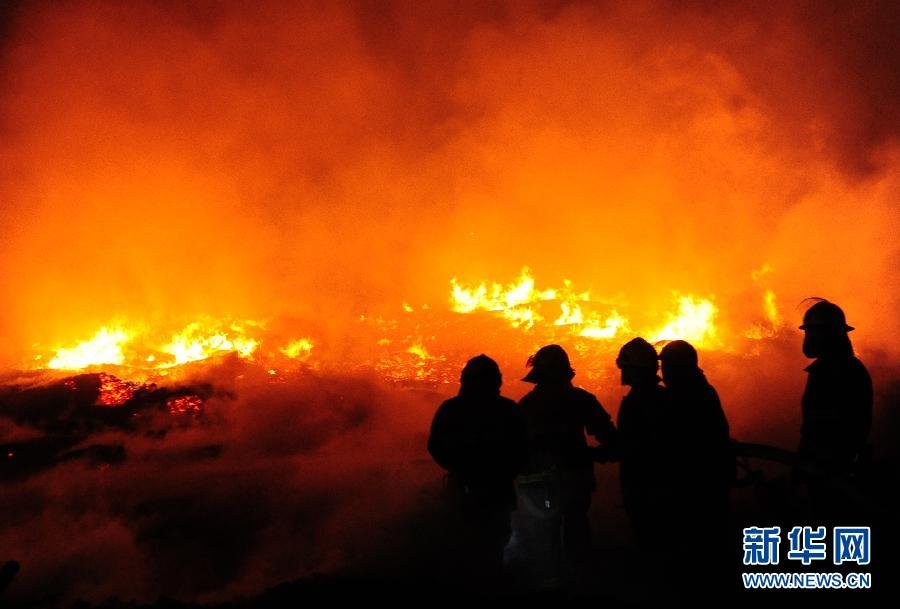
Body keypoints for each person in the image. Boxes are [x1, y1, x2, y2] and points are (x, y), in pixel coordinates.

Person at [516, 344, 617, 572]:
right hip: (573, 481)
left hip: (544, 487)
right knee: (575, 527)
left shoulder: (526, 406)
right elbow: (611, 441)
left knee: (547, 529)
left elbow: (514, 449)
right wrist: (590, 455)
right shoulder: (581, 400)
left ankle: (553, 582)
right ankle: (579, 580)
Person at [428, 354, 526, 585]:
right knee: (492, 545)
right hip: (494, 491)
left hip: (465, 489)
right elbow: (523, 450)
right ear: (498, 381)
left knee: (465, 545)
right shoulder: (508, 410)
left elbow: (436, 446)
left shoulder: (452, 409)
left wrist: (460, 468)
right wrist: (504, 472)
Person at [658, 340, 733, 592]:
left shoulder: (684, 396)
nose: (663, 372)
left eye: (666, 365)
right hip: (709, 480)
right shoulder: (701, 390)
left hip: (695, 484)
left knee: (697, 544)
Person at [797, 299, 872, 518]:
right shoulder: (840, 367)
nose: (808, 338)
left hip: (832, 470)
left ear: (827, 334)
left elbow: (823, 426)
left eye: (812, 332)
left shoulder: (836, 371)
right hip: (830, 468)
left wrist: (809, 464)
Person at [614, 338, 670, 552]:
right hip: (666, 485)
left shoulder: (636, 402)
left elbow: (631, 446)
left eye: (625, 368)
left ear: (633, 370)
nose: (622, 373)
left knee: (650, 541)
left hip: (644, 486)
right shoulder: (667, 397)